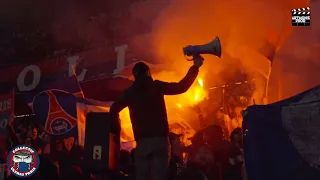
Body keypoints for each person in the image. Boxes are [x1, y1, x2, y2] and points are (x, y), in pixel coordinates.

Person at [110, 56, 204, 180]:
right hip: (160, 141)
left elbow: (113, 109)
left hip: (142, 142)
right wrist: (195, 67)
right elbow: (181, 87)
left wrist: (115, 130)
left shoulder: (129, 93)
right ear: (148, 73)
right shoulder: (156, 86)